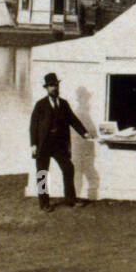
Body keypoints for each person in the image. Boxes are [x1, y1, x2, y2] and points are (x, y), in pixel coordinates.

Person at [29, 72, 90, 212]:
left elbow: (73, 120)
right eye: (51, 86)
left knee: (68, 168)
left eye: (55, 85)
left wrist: (84, 133)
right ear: (46, 88)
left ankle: (71, 200)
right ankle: (44, 204)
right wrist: (33, 145)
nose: (54, 88)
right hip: (43, 145)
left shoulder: (63, 104)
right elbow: (33, 126)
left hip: (59, 146)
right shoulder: (40, 105)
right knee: (42, 174)